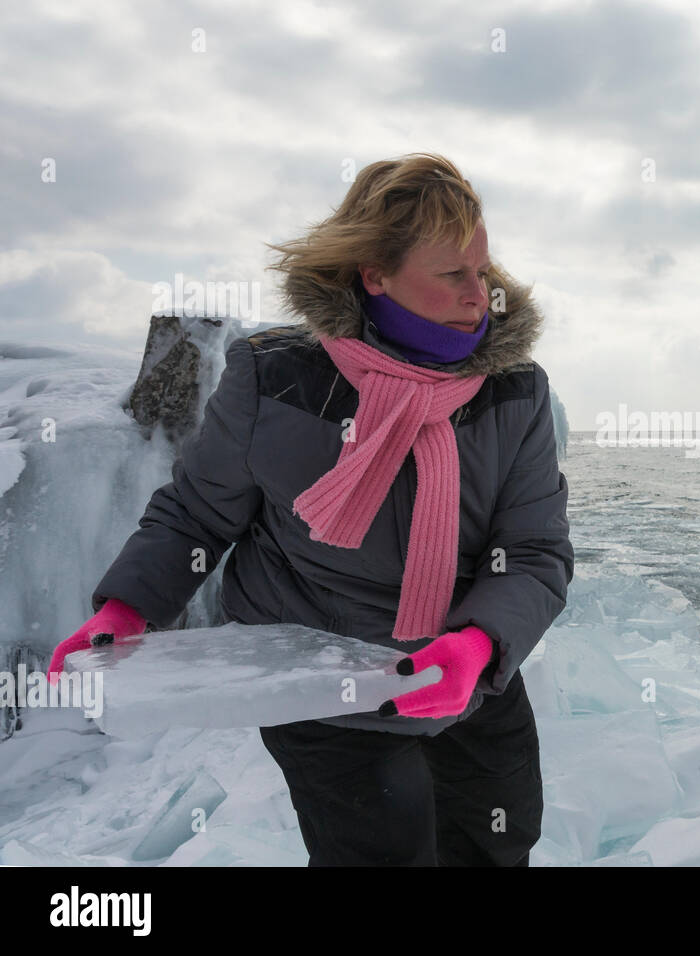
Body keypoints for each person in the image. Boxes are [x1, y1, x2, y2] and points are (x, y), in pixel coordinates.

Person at [47, 153, 575, 866]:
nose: (479, 293)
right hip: (324, 677)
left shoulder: (512, 391)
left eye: (481, 270)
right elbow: (199, 516)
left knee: (497, 843)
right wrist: (126, 609)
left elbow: (533, 549)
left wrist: (479, 646)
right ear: (376, 274)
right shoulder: (277, 376)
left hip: (465, 674)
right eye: (452, 273)